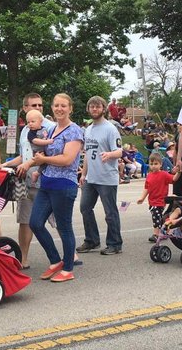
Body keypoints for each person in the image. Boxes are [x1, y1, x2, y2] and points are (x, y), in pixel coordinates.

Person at [29, 93, 84, 282]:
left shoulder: (74, 131)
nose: (59, 109)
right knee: (35, 223)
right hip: (46, 183)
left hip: (64, 185)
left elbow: (68, 160)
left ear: (70, 108)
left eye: (63, 106)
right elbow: (45, 154)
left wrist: (43, 159)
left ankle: (68, 268)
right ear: (52, 108)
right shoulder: (52, 130)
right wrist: (40, 168)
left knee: (64, 226)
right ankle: (55, 260)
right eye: (56, 105)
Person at [0, 93, 54, 269]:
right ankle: (23, 258)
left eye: (40, 105)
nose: (38, 108)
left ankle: (70, 256)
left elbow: (51, 153)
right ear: (24, 108)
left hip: (46, 180)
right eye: (33, 105)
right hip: (26, 182)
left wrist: (31, 164)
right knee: (25, 221)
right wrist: (5, 164)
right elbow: (24, 156)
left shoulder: (50, 128)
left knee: (59, 219)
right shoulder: (25, 130)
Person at [77, 96, 124, 255]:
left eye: (98, 107)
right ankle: (92, 240)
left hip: (107, 178)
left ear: (104, 109)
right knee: (85, 208)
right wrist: (83, 174)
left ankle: (115, 243)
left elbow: (119, 151)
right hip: (91, 178)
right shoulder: (88, 129)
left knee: (110, 212)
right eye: (92, 107)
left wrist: (109, 154)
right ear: (88, 109)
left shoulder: (110, 129)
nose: (94, 109)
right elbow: (88, 154)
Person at [137, 153, 182, 242]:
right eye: (151, 164)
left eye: (156, 164)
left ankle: (156, 234)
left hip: (160, 201)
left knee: (156, 217)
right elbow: (146, 188)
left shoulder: (164, 174)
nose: (153, 166)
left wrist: (179, 172)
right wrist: (142, 198)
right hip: (152, 201)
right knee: (158, 217)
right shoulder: (149, 176)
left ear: (161, 164)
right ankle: (165, 231)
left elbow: (173, 179)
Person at [25, 109, 54, 183]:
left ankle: (38, 173)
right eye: (28, 122)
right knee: (45, 162)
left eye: (33, 121)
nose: (30, 124)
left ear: (41, 122)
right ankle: (36, 173)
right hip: (38, 152)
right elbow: (36, 141)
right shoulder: (30, 133)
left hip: (45, 150)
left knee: (49, 162)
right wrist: (47, 142)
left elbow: (47, 135)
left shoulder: (44, 129)